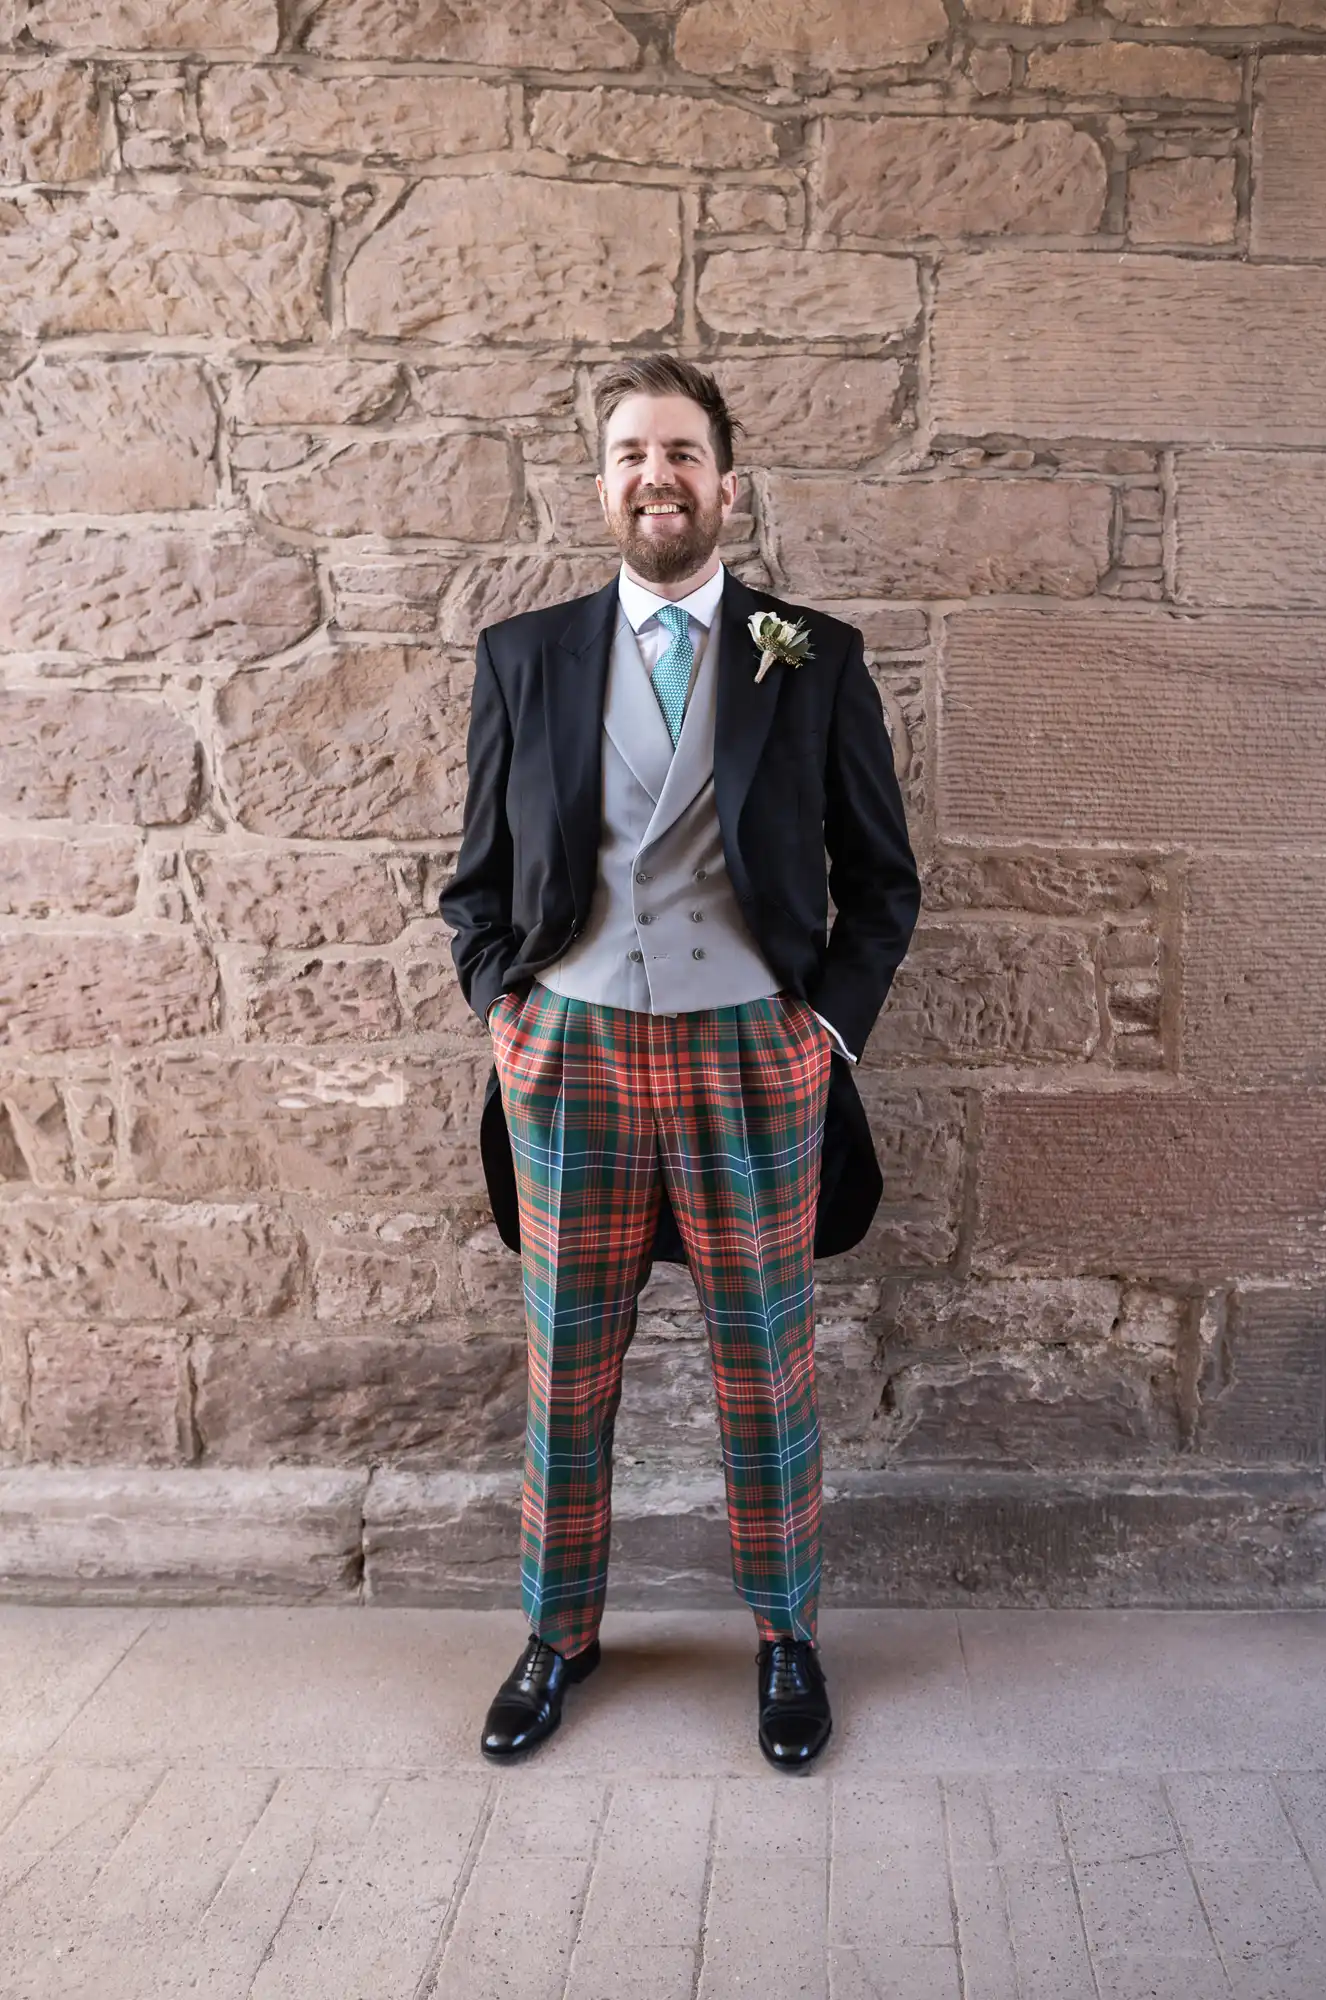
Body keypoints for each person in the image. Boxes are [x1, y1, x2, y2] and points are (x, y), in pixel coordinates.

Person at [439, 355, 920, 1771]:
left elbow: (882, 883)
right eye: (632, 453)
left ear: (728, 480)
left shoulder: (811, 653)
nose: (659, 476)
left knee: (764, 1363)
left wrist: (820, 1031)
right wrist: (502, 1007)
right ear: (601, 485)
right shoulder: (521, 657)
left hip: (753, 1055)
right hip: (569, 1050)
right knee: (566, 1364)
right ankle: (557, 1634)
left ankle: (785, 1637)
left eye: (684, 453)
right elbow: (474, 878)